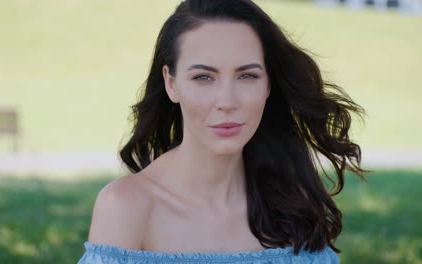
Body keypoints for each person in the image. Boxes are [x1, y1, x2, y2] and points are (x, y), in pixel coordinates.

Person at [78, 0, 365, 263]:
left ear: (268, 84)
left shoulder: (292, 201)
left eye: (247, 76)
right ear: (171, 83)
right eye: (203, 77)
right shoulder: (126, 208)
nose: (227, 102)